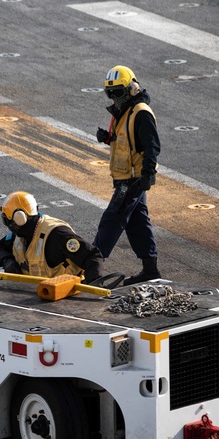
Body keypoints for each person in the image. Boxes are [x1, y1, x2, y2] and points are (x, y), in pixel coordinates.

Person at [92, 65, 162, 286]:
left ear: (132, 89)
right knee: (137, 222)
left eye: (118, 92)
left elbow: (152, 146)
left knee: (112, 218)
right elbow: (127, 142)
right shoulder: (125, 112)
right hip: (128, 177)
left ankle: (92, 267)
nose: (114, 97)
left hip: (133, 179)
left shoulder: (140, 112)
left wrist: (148, 175)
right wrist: (107, 138)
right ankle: (150, 269)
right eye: (109, 93)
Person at [0, 191, 104, 284]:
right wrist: (8, 261)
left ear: (19, 219)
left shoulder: (57, 234)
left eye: (7, 221)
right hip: (36, 295)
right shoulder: (20, 235)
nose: (8, 226)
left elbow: (92, 256)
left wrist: (93, 286)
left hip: (64, 298)